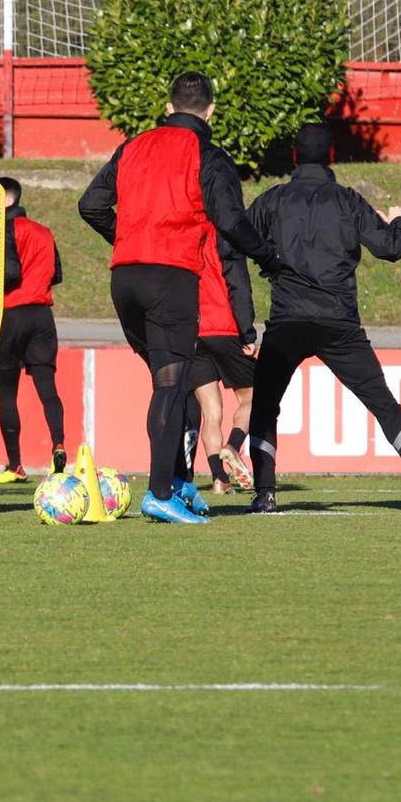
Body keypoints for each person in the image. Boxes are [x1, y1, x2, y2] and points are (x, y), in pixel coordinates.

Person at [78, 71, 277, 525]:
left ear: (169, 107)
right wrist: (268, 255)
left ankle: (182, 485)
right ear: (210, 110)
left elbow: (90, 204)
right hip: (169, 278)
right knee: (171, 388)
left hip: (125, 278)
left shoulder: (132, 146)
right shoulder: (209, 155)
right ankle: (161, 492)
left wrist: (127, 238)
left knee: (175, 385)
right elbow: (230, 222)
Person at [244, 122, 401, 515]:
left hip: (287, 320)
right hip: (339, 323)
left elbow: (236, 237)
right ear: (332, 156)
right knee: (382, 402)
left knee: (265, 406)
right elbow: (391, 248)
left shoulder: (272, 200)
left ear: (294, 156)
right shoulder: (348, 201)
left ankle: (265, 492)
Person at [0, 177, 67, 484]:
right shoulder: (44, 231)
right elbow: (56, 274)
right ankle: (59, 445)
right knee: (48, 389)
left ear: (4, 201)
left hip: (10, 314)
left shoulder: (2, 231)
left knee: (7, 392)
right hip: (42, 315)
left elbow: (9, 272)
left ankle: (15, 464)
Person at [186, 226, 260, 495]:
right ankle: (232, 445)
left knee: (210, 413)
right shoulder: (225, 234)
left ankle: (218, 478)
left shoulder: (184, 233)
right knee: (253, 397)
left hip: (193, 332)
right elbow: (238, 286)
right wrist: (247, 333)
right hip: (224, 327)